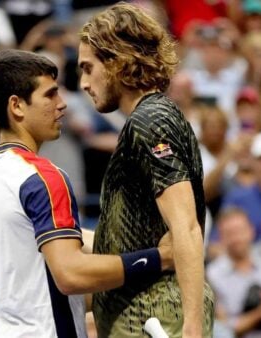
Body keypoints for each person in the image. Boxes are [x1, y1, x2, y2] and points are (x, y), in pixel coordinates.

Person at [0, 49, 174, 338]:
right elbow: (70, 275)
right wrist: (160, 259)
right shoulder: (42, 176)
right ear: (17, 106)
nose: (62, 104)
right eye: (50, 95)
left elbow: (39, 281)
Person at [78, 3, 213, 337]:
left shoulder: (150, 121)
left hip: (157, 317)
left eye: (87, 67)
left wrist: (192, 329)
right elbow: (138, 239)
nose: (82, 82)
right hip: (144, 316)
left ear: (116, 61)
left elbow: (187, 228)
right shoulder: (149, 118)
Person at [207, 208, 261, 337]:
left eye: (240, 231)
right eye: (230, 233)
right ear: (221, 237)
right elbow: (223, 328)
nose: (237, 238)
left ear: (251, 231)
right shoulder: (212, 276)